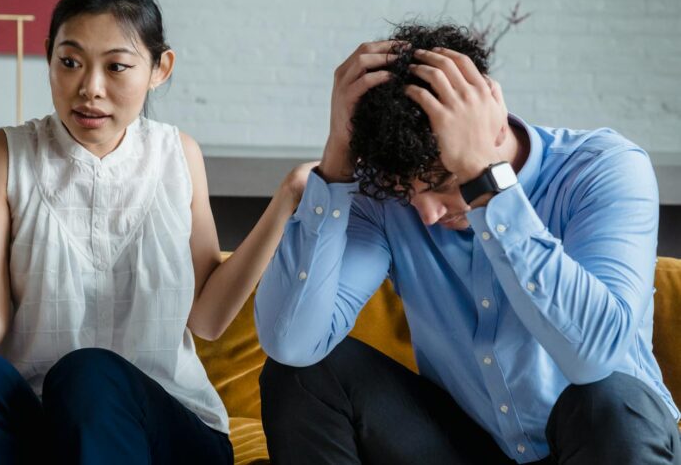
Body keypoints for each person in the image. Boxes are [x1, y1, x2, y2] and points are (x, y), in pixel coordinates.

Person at [0, 0, 311, 465]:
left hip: (164, 428)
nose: (89, 89)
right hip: (40, 423)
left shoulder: (178, 155)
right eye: (70, 62)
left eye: (117, 67)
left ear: (161, 68)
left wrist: (287, 198)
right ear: (49, 56)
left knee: (89, 373)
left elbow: (207, 319)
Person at [254, 23, 681, 464]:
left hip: (599, 444)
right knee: (303, 373)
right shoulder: (385, 199)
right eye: (406, 192)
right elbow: (292, 342)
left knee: (605, 399)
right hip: (470, 447)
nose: (426, 214)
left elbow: (595, 359)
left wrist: (488, 185)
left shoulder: (602, 168)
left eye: (444, 183)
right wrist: (337, 164)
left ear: (495, 128)